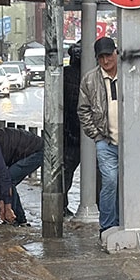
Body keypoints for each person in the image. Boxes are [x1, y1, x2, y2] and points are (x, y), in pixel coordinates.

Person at [77, 37, 140, 236]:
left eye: (109, 55)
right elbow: (83, 110)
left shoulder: (131, 75)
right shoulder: (89, 80)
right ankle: (108, 226)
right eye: (101, 57)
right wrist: (96, 135)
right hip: (105, 141)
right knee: (111, 181)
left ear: (116, 53)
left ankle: (127, 222)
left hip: (131, 142)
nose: (106, 61)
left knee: (129, 182)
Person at [62, 40, 82, 217]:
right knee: (66, 172)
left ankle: (62, 206)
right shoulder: (66, 75)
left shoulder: (96, 75)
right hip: (71, 135)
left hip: (72, 134)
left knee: (66, 172)